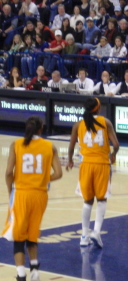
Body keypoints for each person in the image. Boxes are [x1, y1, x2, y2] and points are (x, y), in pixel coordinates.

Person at [2, 116, 63, 281]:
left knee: (18, 236)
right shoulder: (50, 146)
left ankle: (21, 275)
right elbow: (58, 173)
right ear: (41, 129)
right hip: (40, 195)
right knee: (32, 233)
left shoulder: (16, 144)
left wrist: (10, 191)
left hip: (21, 194)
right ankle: (35, 268)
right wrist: (41, 178)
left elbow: (8, 173)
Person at [67, 97, 120, 248]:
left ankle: (84, 236)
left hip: (86, 165)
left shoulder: (78, 124)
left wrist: (70, 160)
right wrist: (114, 154)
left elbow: (71, 146)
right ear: (98, 108)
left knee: (87, 201)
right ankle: (96, 231)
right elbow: (116, 144)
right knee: (102, 199)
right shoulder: (105, 122)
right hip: (102, 165)